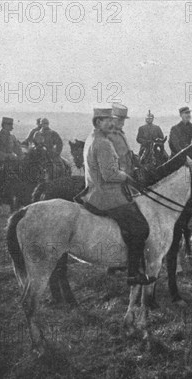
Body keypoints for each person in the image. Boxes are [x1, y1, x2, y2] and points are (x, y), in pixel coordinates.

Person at [80, 108, 154, 286]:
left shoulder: (93, 138)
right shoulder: (103, 142)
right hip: (107, 195)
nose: (112, 123)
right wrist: (126, 177)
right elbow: (109, 174)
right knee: (141, 227)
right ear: (98, 122)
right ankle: (133, 273)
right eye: (107, 120)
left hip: (96, 191)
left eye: (112, 120)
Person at [0, 117, 23, 201]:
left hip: (11, 164)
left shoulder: (12, 137)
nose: (11, 126)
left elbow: (18, 150)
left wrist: (21, 156)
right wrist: (7, 155)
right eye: (9, 124)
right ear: (4, 125)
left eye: (11, 124)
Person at [108, 103, 136, 176]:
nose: (122, 123)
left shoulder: (120, 133)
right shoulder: (108, 136)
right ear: (111, 119)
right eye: (119, 120)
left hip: (129, 173)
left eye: (123, 120)